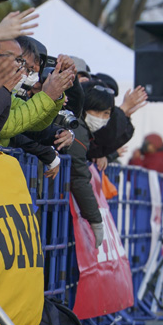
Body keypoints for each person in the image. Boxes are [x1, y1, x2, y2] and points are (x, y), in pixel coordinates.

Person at [65, 80, 117, 246]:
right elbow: (79, 177)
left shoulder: (82, 131)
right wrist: (95, 220)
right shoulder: (77, 132)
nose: (100, 118)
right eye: (96, 111)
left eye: (106, 114)